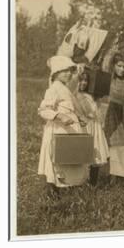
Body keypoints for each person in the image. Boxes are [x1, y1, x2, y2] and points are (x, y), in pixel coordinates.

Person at [37, 55, 87, 190]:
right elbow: (43, 110)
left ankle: (68, 186)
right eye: (65, 71)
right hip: (59, 130)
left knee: (69, 158)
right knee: (58, 159)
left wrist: (77, 117)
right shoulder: (53, 89)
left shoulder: (65, 89)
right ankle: (54, 189)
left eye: (70, 71)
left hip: (69, 131)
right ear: (56, 73)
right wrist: (59, 115)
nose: (69, 74)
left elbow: (68, 107)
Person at [75, 71, 110, 185]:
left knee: (95, 153)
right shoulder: (73, 96)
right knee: (81, 154)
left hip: (94, 126)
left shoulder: (90, 96)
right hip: (83, 126)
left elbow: (96, 111)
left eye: (86, 80)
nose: (83, 83)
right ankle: (79, 180)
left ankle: (93, 182)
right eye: (81, 80)